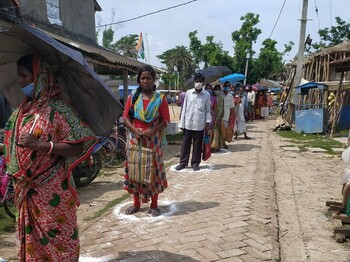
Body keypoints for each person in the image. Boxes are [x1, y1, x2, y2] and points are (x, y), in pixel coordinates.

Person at [3, 55, 97, 261]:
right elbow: (10, 142)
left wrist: (40, 145)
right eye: (18, 75)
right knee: (32, 243)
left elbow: (78, 145)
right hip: (27, 192)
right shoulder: (21, 111)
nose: (19, 80)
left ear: (40, 77)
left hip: (52, 191)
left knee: (59, 242)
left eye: (24, 75)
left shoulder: (59, 110)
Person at [123, 65, 170, 217]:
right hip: (135, 140)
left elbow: (165, 120)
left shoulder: (160, 99)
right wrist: (134, 129)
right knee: (135, 171)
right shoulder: (133, 97)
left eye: (148, 78)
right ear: (138, 80)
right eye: (142, 78)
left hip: (152, 141)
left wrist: (153, 130)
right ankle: (136, 203)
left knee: (153, 172)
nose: (145, 81)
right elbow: (125, 118)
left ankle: (154, 204)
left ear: (153, 79)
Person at [175, 73, 211, 171]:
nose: (198, 83)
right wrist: (182, 123)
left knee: (197, 144)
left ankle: (195, 163)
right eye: (197, 81)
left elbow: (208, 111)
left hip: (199, 123)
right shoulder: (188, 93)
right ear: (194, 82)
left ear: (203, 83)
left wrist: (207, 123)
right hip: (188, 123)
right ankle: (183, 162)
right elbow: (184, 108)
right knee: (185, 144)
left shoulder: (206, 95)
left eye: (200, 81)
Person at [211, 84, 224, 152]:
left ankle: (217, 145)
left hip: (218, 116)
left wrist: (222, 114)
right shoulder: (212, 97)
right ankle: (212, 145)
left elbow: (222, 106)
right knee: (212, 130)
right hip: (212, 116)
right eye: (216, 89)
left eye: (218, 89)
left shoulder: (221, 97)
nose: (217, 91)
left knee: (218, 131)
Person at [222, 82, 235, 148]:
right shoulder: (221, 94)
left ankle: (223, 143)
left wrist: (230, 118)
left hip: (226, 116)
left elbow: (232, 109)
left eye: (228, 86)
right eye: (225, 86)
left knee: (225, 130)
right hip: (219, 115)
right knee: (219, 129)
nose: (226, 87)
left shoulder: (230, 96)